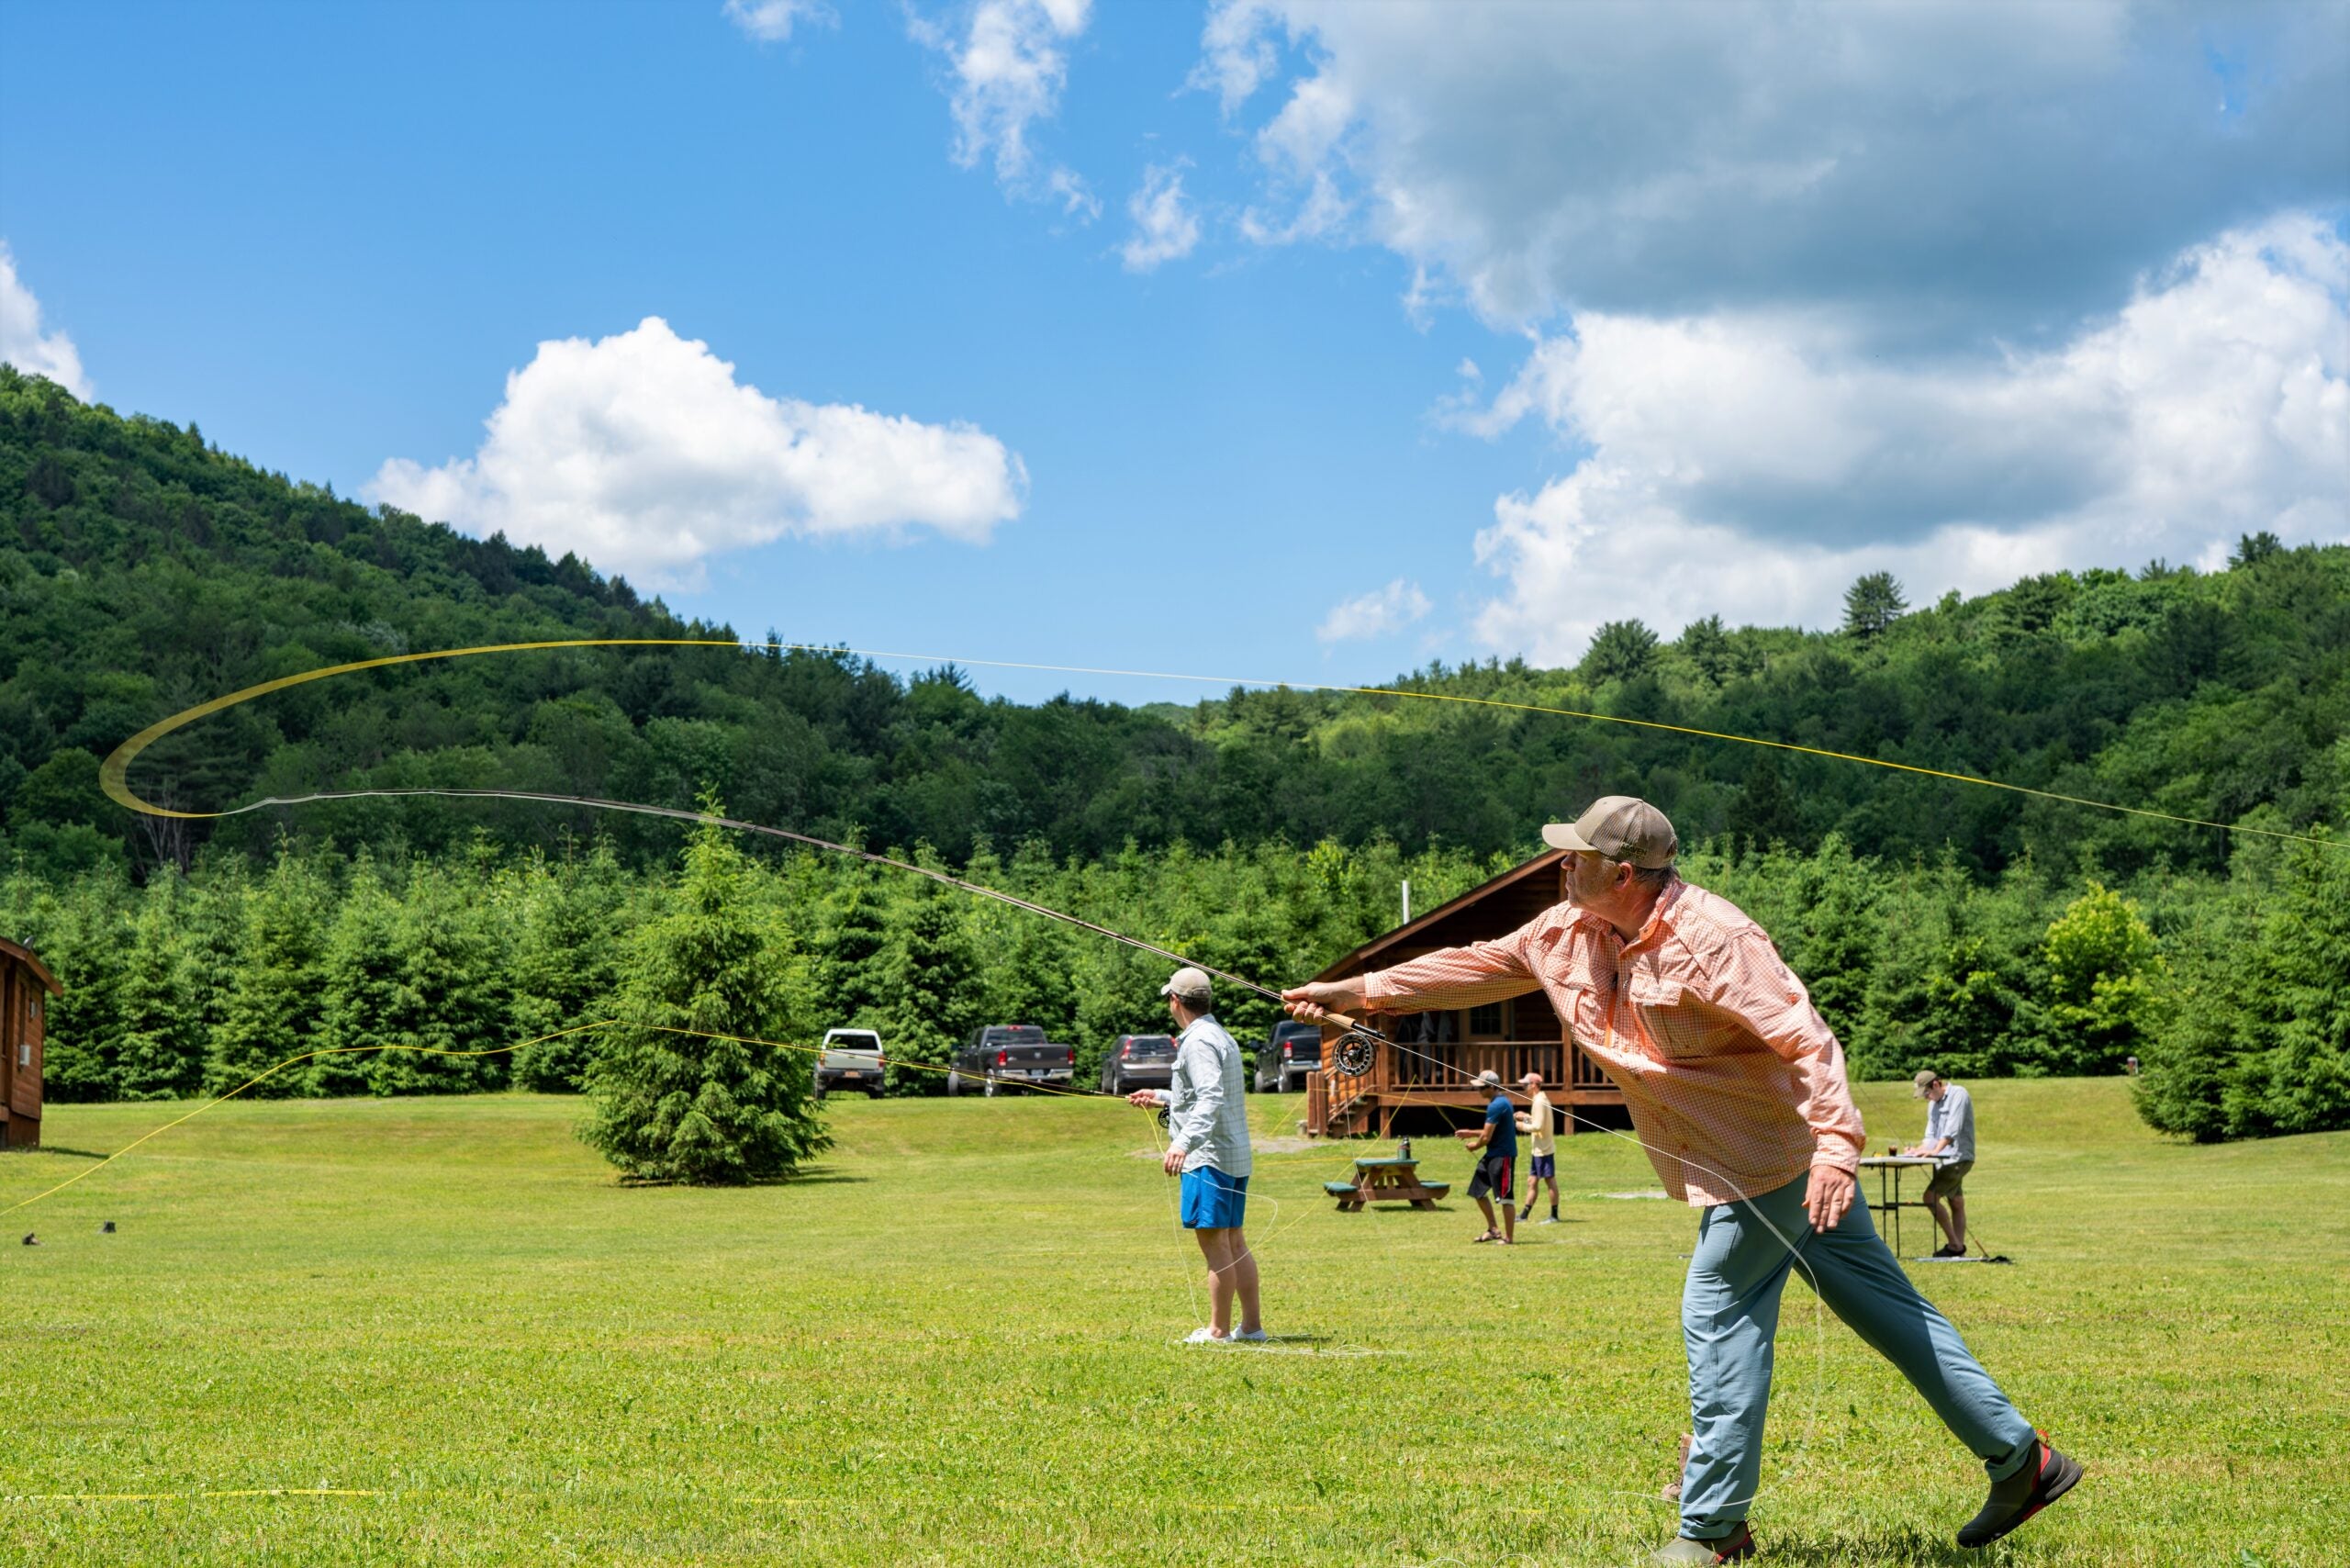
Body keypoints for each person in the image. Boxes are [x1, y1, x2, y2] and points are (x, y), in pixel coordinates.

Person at [1283, 796, 2078, 1562]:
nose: (1562, 866)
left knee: (1718, 1317)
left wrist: (1839, 1147)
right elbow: (1477, 966)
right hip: (1766, 1166)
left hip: (1768, 1161)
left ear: (1624, 872)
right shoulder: (1567, 929)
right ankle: (2023, 1461)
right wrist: (1357, 993)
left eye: (1577, 856)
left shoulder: (1715, 939)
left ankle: (1713, 1528)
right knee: (1892, 1312)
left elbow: (1807, 1041)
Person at [1128, 967, 1265, 1344]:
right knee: (1234, 1242)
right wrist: (1161, 1098)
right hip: (1231, 1155)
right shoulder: (1218, 1035)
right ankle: (1251, 1328)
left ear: (1175, 1000)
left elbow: (1210, 1098)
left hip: (1208, 1158)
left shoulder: (1198, 1042)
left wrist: (1181, 1143)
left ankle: (1218, 1332)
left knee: (1216, 1245)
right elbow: (1202, 1094)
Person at [1904, 1070, 1976, 1259]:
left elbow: (1952, 1130)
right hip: (1942, 1160)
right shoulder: (1933, 1105)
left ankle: (1954, 1245)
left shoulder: (1959, 1094)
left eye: (1927, 1093)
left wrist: (1935, 1151)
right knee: (1956, 1202)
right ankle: (1958, 1250)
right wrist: (1917, 1150)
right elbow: (1930, 1136)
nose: (1926, 1098)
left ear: (1936, 1085)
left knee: (1930, 1197)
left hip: (1958, 1158)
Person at [1457, 1068, 1517, 1244]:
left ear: (1491, 1087)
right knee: (1478, 1191)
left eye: (1481, 1087)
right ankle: (1493, 1230)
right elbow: (1489, 1132)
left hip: (1503, 1157)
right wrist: (1470, 1133)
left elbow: (1486, 1137)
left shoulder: (1497, 1105)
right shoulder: (1499, 1102)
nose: (1479, 1090)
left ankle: (1509, 1238)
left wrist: (1475, 1146)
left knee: (1506, 1198)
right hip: (1492, 1155)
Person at [1516, 1070, 1561, 1225]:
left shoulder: (1539, 1102)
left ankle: (1554, 1216)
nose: (1524, 1088)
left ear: (1534, 1085)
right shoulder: (1539, 1100)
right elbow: (1537, 1121)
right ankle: (1524, 1215)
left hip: (1544, 1149)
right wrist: (1525, 1117)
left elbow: (1538, 1126)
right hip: (1539, 1149)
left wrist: (1520, 1125)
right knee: (1532, 1181)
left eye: (1525, 1085)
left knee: (1549, 1180)